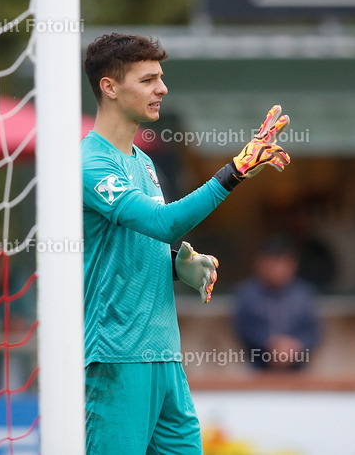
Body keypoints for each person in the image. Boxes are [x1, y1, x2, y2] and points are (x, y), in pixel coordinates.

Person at [82, 33, 291, 454]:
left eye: (161, 78)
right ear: (110, 87)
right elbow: (162, 222)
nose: (162, 88)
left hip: (166, 358)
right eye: (148, 80)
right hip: (119, 359)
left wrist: (177, 263)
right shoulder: (90, 164)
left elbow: (143, 240)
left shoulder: (142, 161)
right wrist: (235, 170)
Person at [233, 238, 319, 372]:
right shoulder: (248, 294)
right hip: (258, 370)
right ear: (260, 264)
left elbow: (313, 331)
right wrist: (270, 344)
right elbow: (243, 328)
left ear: (293, 265)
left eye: (283, 262)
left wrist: (295, 346)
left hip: (298, 371)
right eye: (272, 262)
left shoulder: (303, 293)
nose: (278, 269)